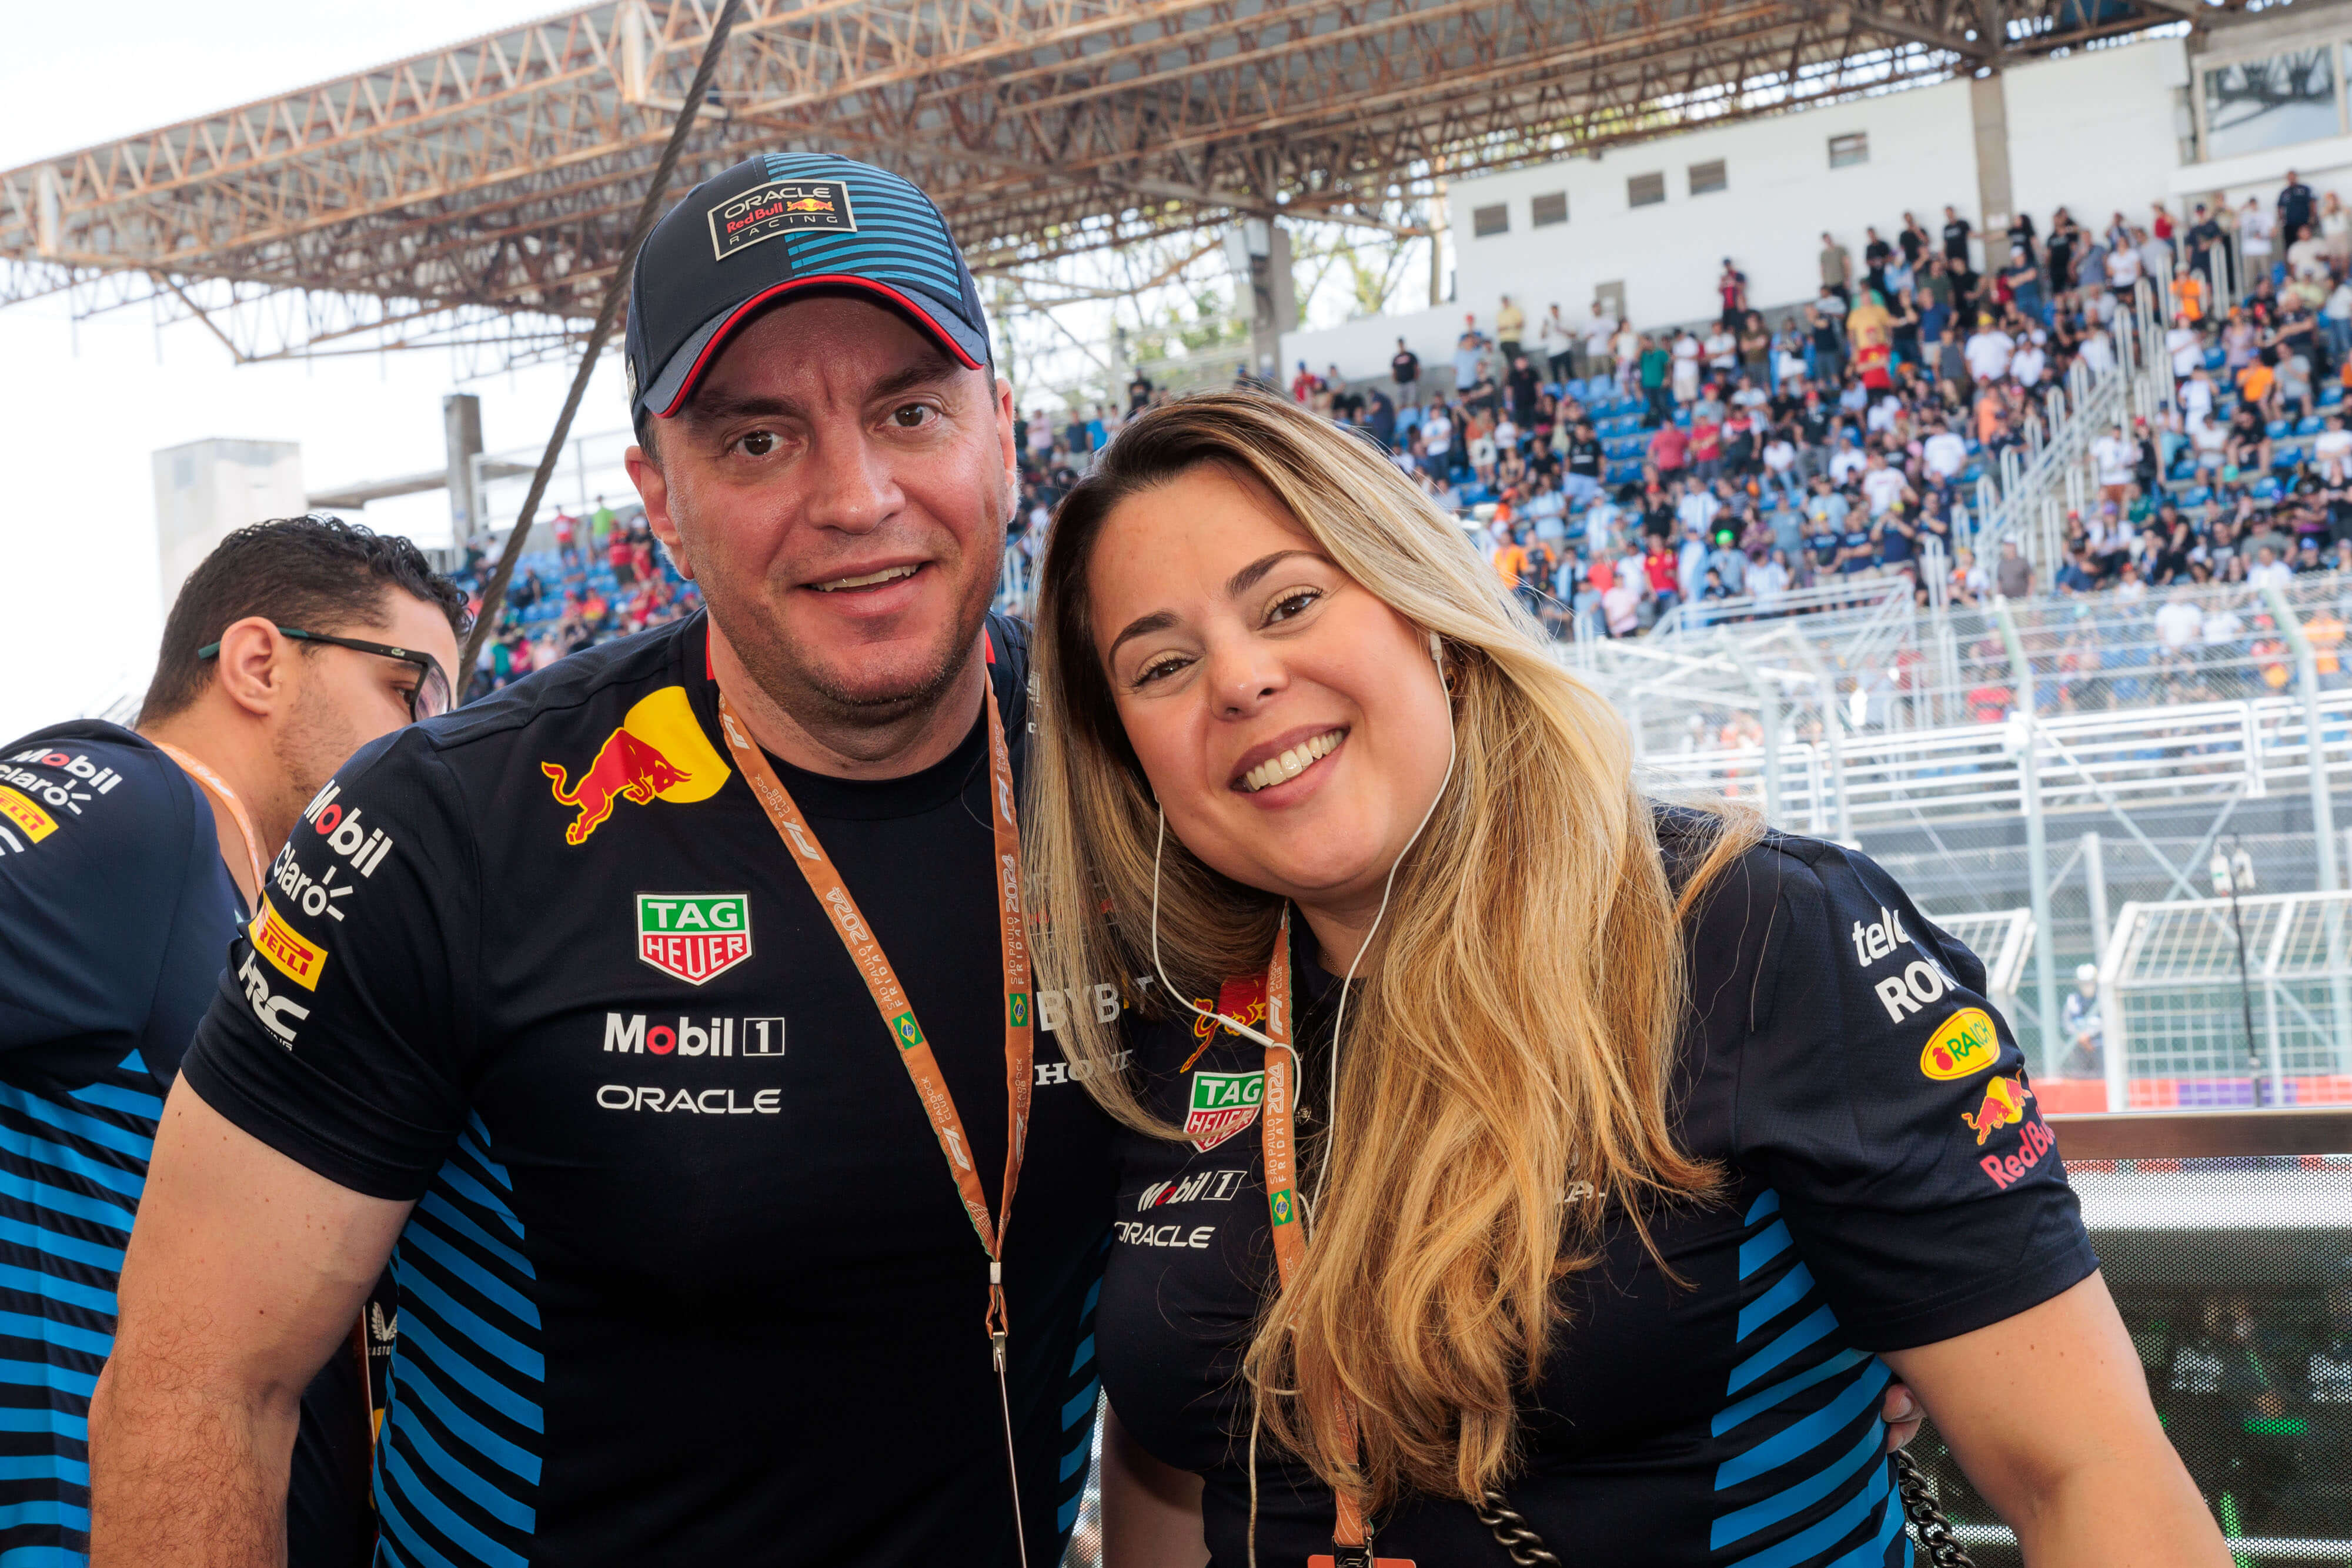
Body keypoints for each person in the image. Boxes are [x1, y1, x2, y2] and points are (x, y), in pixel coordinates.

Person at [92, 153, 1115, 1566]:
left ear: (1000, 430)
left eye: (910, 411)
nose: (857, 495)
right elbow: (197, 1386)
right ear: (658, 498)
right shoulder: (443, 831)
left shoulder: (1132, 760)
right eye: (756, 441)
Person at [1026, 389, 2230, 1568]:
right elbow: (1171, 1472)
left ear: (1426, 617)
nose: (1238, 679)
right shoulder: (1169, 1023)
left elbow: (2086, 1475)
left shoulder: (1756, 930)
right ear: (1127, 754)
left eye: (1289, 602)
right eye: (1161, 665)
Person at [0, 518, 461, 1567]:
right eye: (411, 691)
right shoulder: (138, 802)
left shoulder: (249, 894)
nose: (435, 742)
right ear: (259, 663)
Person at [2059, 963, 2104, 1079]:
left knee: (2101, 1075)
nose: (2087, 986)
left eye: (2090, 982)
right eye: (2084, 983)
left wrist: (2089, 1035)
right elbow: (2067, 1022)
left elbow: (2107, 1021)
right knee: (2081, 1076)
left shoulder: (2103, 999)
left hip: (2100, 1045)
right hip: (2079, 1045)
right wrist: (2080, 1036)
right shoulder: (2073, 1000)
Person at [1389, 336, 1420, 407]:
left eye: (1402, 344)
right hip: (1401, 383)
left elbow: (1416, 367)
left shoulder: (1411, 355)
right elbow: (1394, 370)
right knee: (1402, 403)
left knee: (1414, 401)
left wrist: (1416, 378)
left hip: (1411, 382)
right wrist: (1395, 379)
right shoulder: (1396, 358)